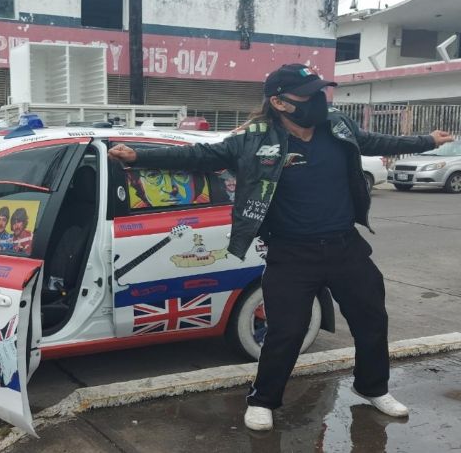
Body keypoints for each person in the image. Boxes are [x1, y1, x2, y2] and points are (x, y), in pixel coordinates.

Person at [108, 63, 454, 432]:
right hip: (291, 253)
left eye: (320, 92)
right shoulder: (254, 138)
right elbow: (199, 157)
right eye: (308, 95)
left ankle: (373, 388)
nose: (320, 100)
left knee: (372, 321)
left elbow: (378, 142)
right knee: (286, 331)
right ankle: (263, 400)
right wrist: (139, 156)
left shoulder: (337, 126)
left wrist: (427, 141)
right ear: (279, 102)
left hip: (345, 247)